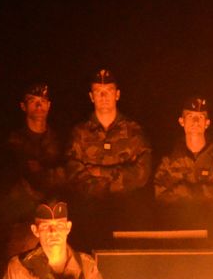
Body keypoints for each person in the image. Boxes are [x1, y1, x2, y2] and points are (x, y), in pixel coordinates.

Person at [65, 70, 152, 205]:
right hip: (90, 207)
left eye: (109, 91)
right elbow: (74, 175)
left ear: (117, 94)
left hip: (126, 206)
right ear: (91, 96)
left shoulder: (134, 131)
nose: (104, 96)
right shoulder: (80, 133)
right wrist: (119, 177)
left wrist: (101, 172)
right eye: (98, 91)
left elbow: (141, 175)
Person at [151, 96, 213, 228]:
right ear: (181, 121)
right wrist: (204, 192)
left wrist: (185, 190)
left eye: (200, 117)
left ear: (207, 123)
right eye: (190, 116)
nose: (195, 122)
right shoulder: (169, 162)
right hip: (176, 227)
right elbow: (161, 198)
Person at [2, 83, 67, 217]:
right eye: (33, 102)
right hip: (21, 213)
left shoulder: (60, 140)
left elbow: (67, 175)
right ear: (23, 106)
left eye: (42, 102)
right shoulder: (13, 141)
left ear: (49, 105)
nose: (39, 107)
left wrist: (41, 171)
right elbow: (9, 180)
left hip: (53, 214)